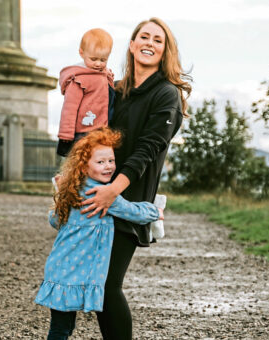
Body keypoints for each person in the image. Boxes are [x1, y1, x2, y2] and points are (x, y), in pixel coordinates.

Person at [80, 18, 192, 339]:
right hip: (96, 197)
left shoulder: (166, 94)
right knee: (96, 286)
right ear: (131, 45)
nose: (150, 42)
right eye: (144, 36)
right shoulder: (118, 91)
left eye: (158, 40)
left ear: (164, 51)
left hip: (126, 200)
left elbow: (147, 150)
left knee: (107, 284)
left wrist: (112, 192)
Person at [35, 127, 163, 340]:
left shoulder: (73, 189)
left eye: (111, 161)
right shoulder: (102, 193)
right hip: (74, 273)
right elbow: (133, 212)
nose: (108, 167)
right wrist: (155, 211)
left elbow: (55, 220)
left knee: (61, 328)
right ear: (84, 166)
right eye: (100, 162)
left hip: (59, 269)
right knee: (61, 330)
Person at [56, 28, 116, 157]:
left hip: (102, 131)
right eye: (93, 59)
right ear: (81, 53)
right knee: (79, 164)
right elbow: (69, 108)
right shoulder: (78, 79)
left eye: (103, 60)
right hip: (83, 132)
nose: (98, 64)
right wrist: (66, 133)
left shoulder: (104, 75)